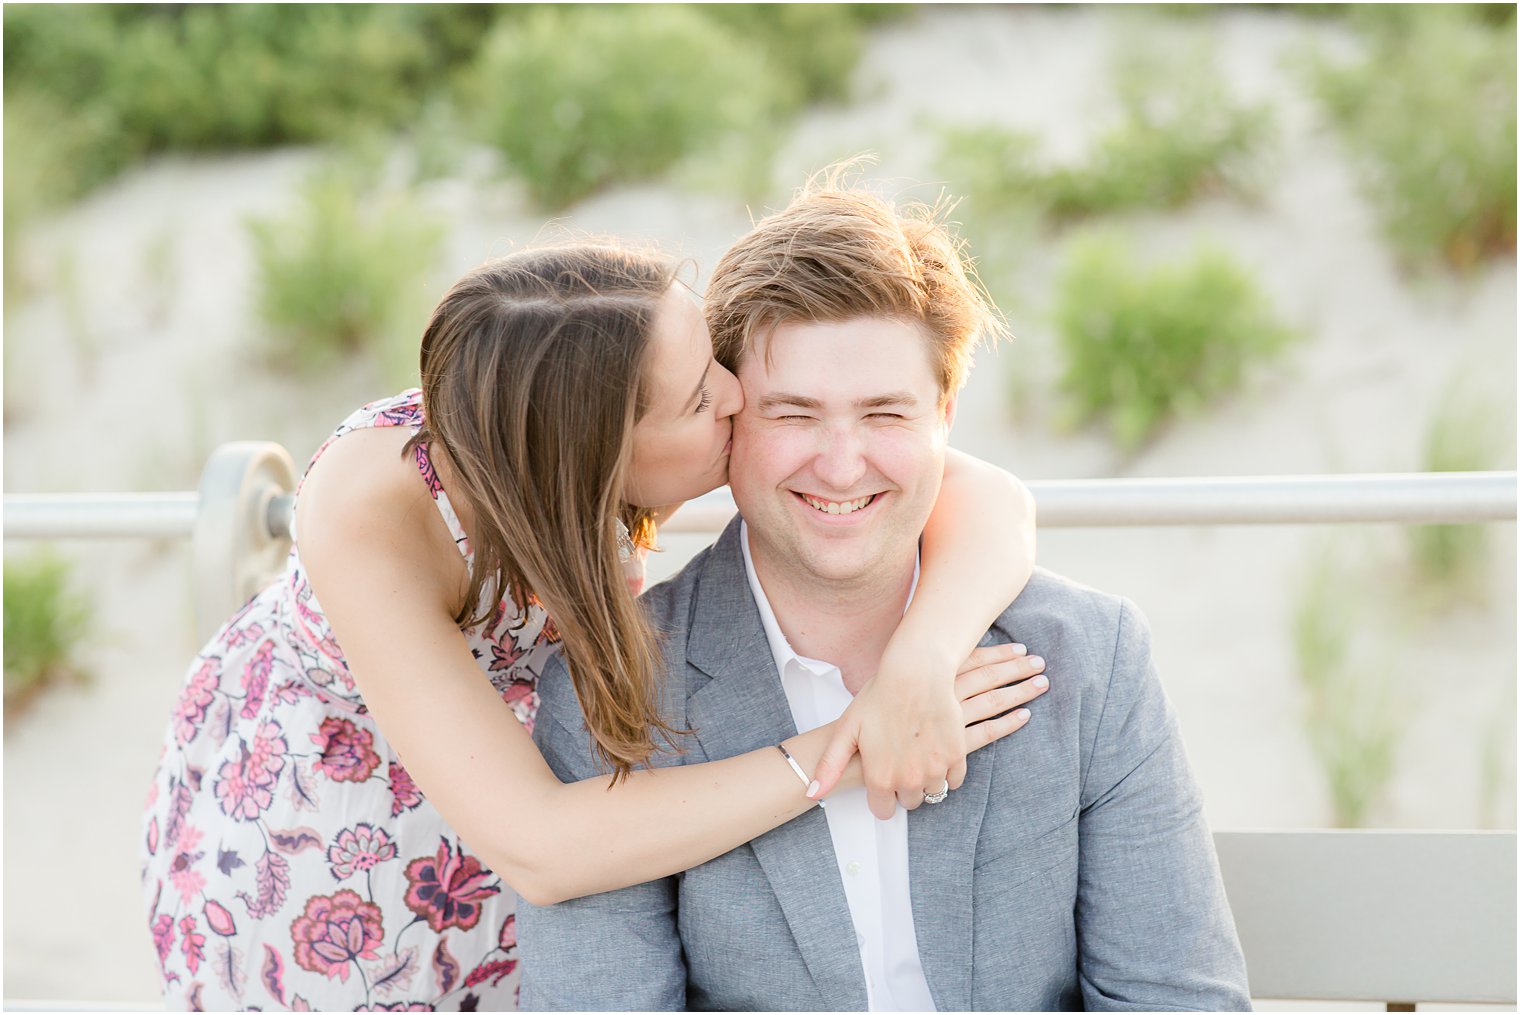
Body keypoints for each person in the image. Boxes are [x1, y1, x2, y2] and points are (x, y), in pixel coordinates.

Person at [141, 239, 1046, 1009]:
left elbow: (985, 495)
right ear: (598, 450)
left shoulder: (612, 378)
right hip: (347, 863)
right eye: (701, 400)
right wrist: (847, 744)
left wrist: (918, 667)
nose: (737, 396)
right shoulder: (377, 508)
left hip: (567, 820)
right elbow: (538, 847)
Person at [517, 184, 1252, 1011]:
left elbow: (1179, 999)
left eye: (884, 414)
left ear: (945, 413)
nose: (840, 465)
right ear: (730, 424)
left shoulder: (1091, 655)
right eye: (793, 413)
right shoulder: (607, 696)